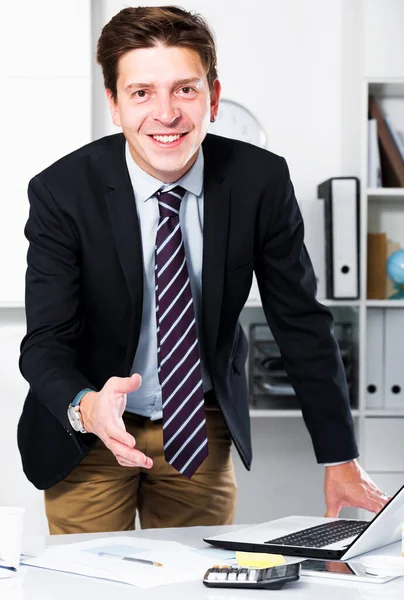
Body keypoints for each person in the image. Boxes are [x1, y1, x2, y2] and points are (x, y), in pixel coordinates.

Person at [18, 5, 388, 535]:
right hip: (91, 432)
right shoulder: (61, 192)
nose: (165, 114)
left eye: (185, 90)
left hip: (198, 428)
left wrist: (340, 457)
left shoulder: (260, 181)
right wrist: (86, 406)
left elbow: (301, 323)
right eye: (142, 92)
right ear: (115, 105)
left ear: (213, 98)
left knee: (199, 583)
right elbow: (45, 342)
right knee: (90, 585)